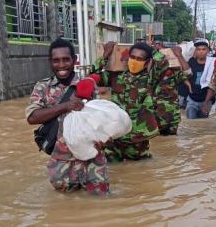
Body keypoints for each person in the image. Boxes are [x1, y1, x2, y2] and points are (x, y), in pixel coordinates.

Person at [26, 39, 109, 195]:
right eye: (56, 60)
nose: (62, 65)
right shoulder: (43, 87)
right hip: (61, 160)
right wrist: (65, 106)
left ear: (74, 60)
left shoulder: (88, 85)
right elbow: (32, 117)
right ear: (50, 62)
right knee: (64, 207)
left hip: (91, 157)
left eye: (66, 59)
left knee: (100, 202)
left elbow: (99, 118)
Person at [92, 42, 168, 162]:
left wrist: (151, 49)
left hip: (137, 138)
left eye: (139, 59)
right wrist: (105, 56)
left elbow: (163, 63)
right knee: (112, 170)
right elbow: (91, 77)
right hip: (114, 136)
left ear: (147, 62)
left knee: (141, 174)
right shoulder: (115, 77)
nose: (134, 61)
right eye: (132, 57)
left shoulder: (150, 79)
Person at [153, 42, 192, 135]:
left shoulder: (173, 73)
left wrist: (179, 55)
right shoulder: (149, 74)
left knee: (172, 141)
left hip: (172, 115)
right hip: (154, 116)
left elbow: (188, 73)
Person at [186, 39, 214, 119]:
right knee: (191, 124)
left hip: (207, 100)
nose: (201, 52)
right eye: (198, 49)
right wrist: (188, 85)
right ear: (196, 51)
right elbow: (183, 74)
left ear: (208, 50)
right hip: (192, 99)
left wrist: (206, 103)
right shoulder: (191, 62)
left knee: (204, 125)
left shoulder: (212, 63)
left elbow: (213, 84)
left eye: (203, 49)